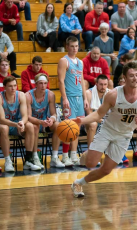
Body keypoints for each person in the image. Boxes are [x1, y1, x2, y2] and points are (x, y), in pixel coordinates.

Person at [70, 61, 137, 198]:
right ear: (124, 78)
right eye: (131, 76)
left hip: (124, 135)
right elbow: (98, 114)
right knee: (91, 163)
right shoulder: (113, 95)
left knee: (106, 170)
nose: (135, 78)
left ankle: (78, 183)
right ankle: (87, 154)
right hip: (108, 130)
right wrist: (81, 121)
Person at [0, 76, 41, 171]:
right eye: (10, 86)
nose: (13, 88)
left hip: (17, 124)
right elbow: (2, 119)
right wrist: (16, 125)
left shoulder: (21, 95)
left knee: (30, 126)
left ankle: (28, 160)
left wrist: (22, 123)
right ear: (4, 87)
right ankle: (8, 161)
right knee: (4, 128)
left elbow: (25, 115)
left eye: (15, 85)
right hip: (1, 124)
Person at [58, 36, 88, 165]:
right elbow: (60, 80)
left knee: (77, 127)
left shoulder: (80, 62)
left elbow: (82, 81)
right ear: (67, 46)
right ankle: (65, 156)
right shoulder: (64, 61)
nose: (75, 48)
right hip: (69, 97)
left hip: (79, 98)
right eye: (72, 46)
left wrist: (85, 97)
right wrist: (64, 98)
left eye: (76, 46)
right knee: (68, 127)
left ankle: (74, 155)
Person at [26, 74, 66, 168]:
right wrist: (40, 122)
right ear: (36, 84)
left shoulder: (50, 95)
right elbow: (28, 117)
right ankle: (35, 157)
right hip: (32, 123)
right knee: (34, 127)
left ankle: (54, 157)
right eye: (40, 83)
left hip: (44, 123)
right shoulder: (28, 96)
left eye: (45, 83)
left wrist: (51, 120)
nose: (43, 86)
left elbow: (54, 114)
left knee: (58, 125)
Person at [84, 75, 109, 148]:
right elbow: (89, 114)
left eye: (105, 84)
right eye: (101, 84)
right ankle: (90, 151)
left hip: (103, 120)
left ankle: (115, 154)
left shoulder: (110, 93)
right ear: (96, 84)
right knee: (93, 124)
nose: (103, 87)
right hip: (89, 120)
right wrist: (103, 121)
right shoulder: (89, 93)